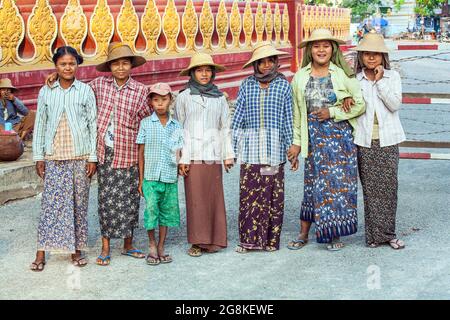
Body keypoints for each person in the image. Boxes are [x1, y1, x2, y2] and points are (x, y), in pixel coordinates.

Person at [45, 42, 151, 265]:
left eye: (125, 63)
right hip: (104, 152)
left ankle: (128, 244)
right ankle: (105, 247)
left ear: (131, 66)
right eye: (116, 64)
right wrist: (54, 77)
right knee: (106, 201)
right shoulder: (98, 85)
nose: (120, 68)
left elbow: (146, 122)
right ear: (109, 67)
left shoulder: (141, 91)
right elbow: (73, 86)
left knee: (130, 201)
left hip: (129, 151)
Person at [288, 29, 366, 251]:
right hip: (314, 140)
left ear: (333, 49)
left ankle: (333, 233)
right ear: (310, 51)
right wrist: (297, 142)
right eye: (316, 46)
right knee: (312, 185)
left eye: (325, 46)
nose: (321, 50)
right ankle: (304, 233)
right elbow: (297, 114)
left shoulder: (341, 74)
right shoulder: (300, 77)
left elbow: (360, 104)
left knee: (336, 187)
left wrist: (333, 112)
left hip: (339, 140)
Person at [30, 46, 97, 271]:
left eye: (71, 63)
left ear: (77, 65)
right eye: (62, 64)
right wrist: (39, 156)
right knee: (51, 205)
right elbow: (40, 124)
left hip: (80, 156)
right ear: (56, 66)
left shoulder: (85, 90)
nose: (67, 67)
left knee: (78, 205)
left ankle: (75, 250)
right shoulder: (46, 91)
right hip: (54, 156)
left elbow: (93, 125)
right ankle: (41, 251)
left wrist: (93, 158)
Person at [232, 42, 297, 253]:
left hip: (273, 153)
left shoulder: (283, 85)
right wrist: (231, 149)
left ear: (276, 62)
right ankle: (248, 241)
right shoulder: (247, 85)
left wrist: (292, 150)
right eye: (261, 62)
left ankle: (270, 240)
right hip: (251, 153)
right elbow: (238, 119)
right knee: (249, 197)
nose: (266, 65)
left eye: (270, 61)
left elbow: (288, 119)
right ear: (255, 65)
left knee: (271, 197)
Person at [174, 52, 235, 257]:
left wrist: (228, 154)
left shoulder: (219, 98)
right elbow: (178, 128)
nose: (204, 74)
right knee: (195, 199)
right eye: (199, 70)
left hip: (213, 154)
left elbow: (225, 127)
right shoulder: (183, 97)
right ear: (192, 73)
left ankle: (215, 239)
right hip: (191, 155)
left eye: (208, 70)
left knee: (213, 197)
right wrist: (181, 158)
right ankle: (197, 241)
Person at [353, 32, 406, 250]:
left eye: (376, 54)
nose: (371, 58)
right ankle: (374, 236)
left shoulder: (392, 77)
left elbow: (394, 105)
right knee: (370, 189)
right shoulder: (355, 80)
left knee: (389, 188)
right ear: (361, 57)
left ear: (383, 56)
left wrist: (379, 82)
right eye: (367, 54)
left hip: (388, 140)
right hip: (364, 141)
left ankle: (389, 234)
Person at [137, 83, 183, 265]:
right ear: (151, 102)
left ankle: (162, 245)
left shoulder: (176, 126)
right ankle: (152, 244)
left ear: (170, 100)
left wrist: (181, 166)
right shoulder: (146, 124)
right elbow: (140, 152)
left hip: (169, 177)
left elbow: (178, 150)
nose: (160, 104)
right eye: (156, 100)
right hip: (150, 177)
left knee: (166, 212)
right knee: (151, 211)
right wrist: (141, 180)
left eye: (164, 99)